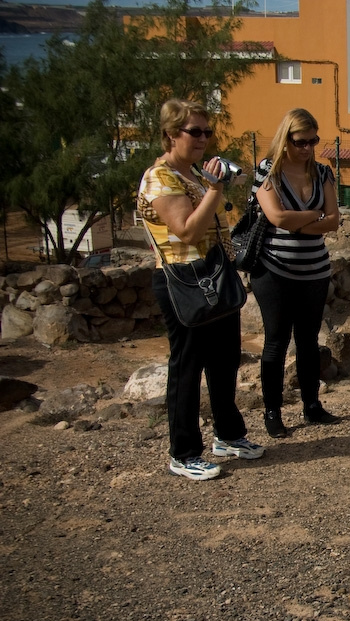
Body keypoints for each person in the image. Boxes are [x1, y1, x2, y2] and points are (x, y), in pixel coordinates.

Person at [137, 99, 264, 480]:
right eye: (194, 132)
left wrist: (214, 186)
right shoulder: (160, 178)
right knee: (187, 366)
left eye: (207, 132)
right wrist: (215, 187)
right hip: (183, 280)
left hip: (214, 274)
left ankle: (228, 434)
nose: (203, 139)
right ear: (170, 133)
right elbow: (188, 230)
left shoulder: (193, 174)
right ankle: (184, 452)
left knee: (225, 360)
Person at [251, 109, 341, 438]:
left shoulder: (323, 172)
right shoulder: (268, 171)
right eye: (301, 142)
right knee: (276, 341)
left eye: (313, 141)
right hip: (275, 270)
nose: (307, 148)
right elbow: (276, 217)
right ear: (285, 139)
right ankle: (272, 411)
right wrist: (315, 215)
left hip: (314, 270)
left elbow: (334, 221)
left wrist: (298, 221)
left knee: (308, 341)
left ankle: (312, 405)